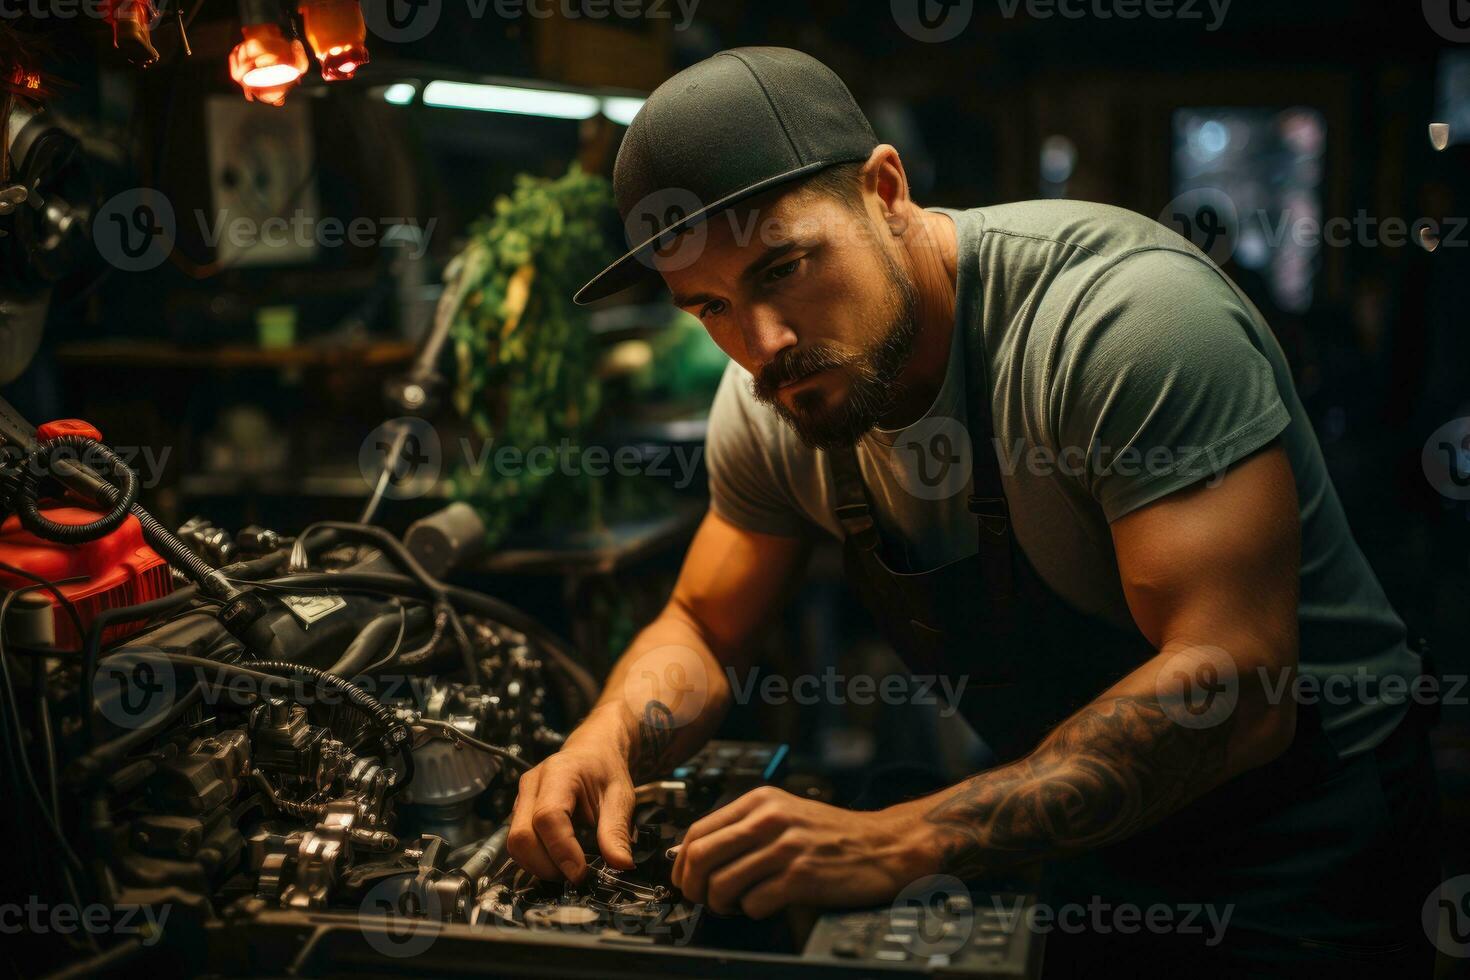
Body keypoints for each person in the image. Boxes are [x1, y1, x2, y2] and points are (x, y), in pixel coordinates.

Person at [507, 47, 1440, 975]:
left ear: (884, 190)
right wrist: (610, 733)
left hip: (1306, 836)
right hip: (1093, 825)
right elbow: (706, 626)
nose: (762, 346)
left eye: (783, 268)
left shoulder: (1123, 323)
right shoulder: (773, 399)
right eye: (707, 306)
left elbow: (1232, 686)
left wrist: (893, 840)